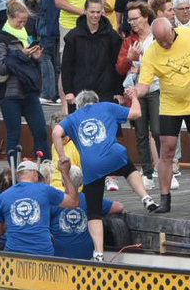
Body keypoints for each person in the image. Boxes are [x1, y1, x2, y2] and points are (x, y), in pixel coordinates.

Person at [132, 15, 190, 213]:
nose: (164, 44)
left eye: (166, 39)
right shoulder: (152, 51)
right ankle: (165, 198)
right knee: (167, 151)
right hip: (170, 106)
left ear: (173, 30)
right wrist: (135, 92)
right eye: (159, 41)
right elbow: (145, 83)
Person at [51, 91, 157, 243]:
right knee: (129, 169)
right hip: (114, 155)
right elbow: (136, 113)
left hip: (91, 165)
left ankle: (99, 253)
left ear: (78, 105)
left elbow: (56, 132)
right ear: (96, 101)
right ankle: (145, 197)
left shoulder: (73, 117)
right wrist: (134, 97)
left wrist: (62, 157)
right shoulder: (107, 106)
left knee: (94, 212)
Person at [0, 0, 49, 162]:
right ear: (9, 18)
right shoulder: (0, 39)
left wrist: (36, 58)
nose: (22, 25)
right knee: (13, 135)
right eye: (19, 21)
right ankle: (14, 174)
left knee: (41, 132)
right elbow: (0, 67)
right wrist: (21, 54)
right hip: (10, 94)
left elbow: (29, 65)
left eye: (25, 21)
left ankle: (45, 169)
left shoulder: (27, 36)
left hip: (29, 91)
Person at [60, 0, 124, 100]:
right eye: (92, 12)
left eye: (98, 12)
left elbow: (117, 64)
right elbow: (66, 66)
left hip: (106, 91)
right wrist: (68, 91)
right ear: (85, 11)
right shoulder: (73, 36)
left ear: (102, 12)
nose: (95, 15)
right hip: (79, 92)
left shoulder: (112, 36)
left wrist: (119, 91)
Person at [0, 160, 64, 256]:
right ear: (35, 174)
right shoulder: (46, 191)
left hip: (14, 255)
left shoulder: (3, 196)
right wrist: (65, 174)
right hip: (43, 254)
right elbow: (73, 202)